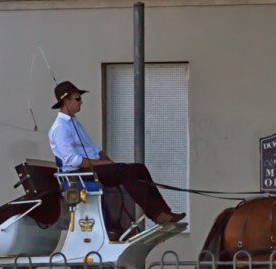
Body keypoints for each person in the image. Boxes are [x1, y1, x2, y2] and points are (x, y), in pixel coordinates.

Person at [48, 81, 185, 225]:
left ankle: (164, 211)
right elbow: (73, 160)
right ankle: (156, 214)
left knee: (139, 168)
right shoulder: (60, 128)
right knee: (125, 171)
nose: (81, 102)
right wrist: (105, 164)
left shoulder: (74, 123)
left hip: (91, 169)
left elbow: (95, 150)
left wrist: (109, 162)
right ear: (65, 100)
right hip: (80, 174)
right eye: (77, 98)